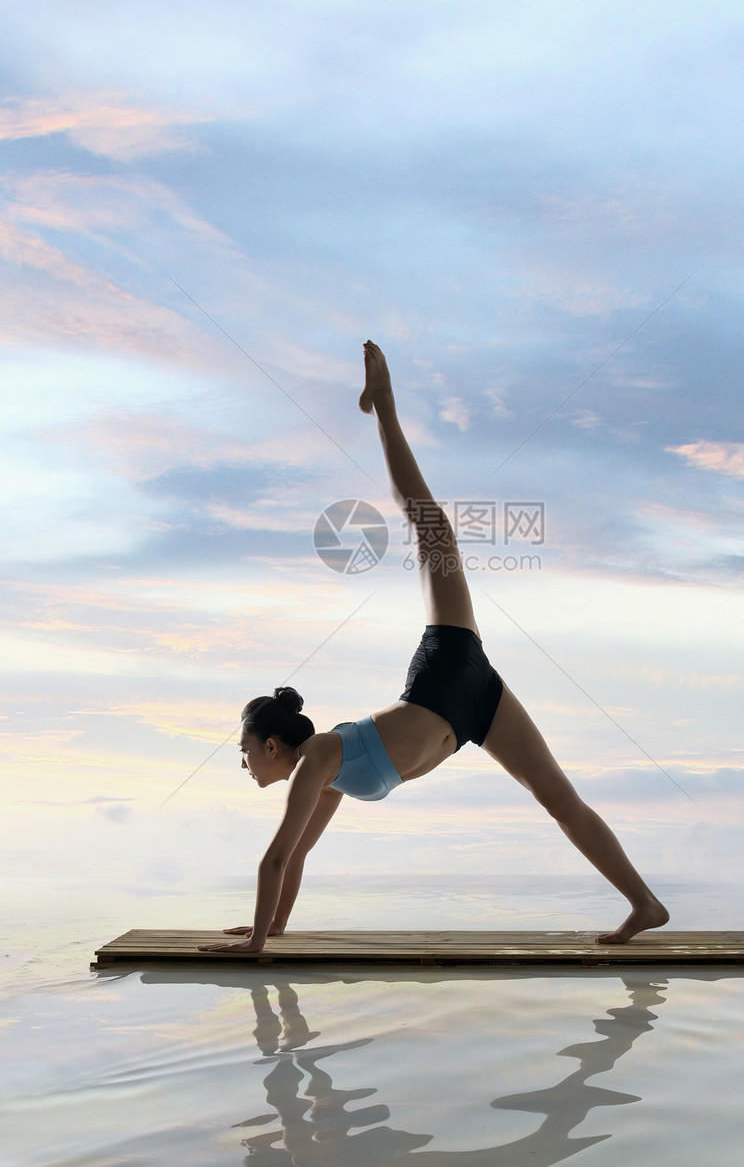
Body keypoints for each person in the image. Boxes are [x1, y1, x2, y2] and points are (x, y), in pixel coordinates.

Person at [198, 341, 668, 953]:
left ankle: (386, 407)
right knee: (560, 801)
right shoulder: (324, 774)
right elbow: (298, 857)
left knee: (429, 527)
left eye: (243, 752)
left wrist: (256, 946)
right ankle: (645, 903)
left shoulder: (315, 759)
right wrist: (275, 927)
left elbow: (273, 859)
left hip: (445, 672)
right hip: (475, 706)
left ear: (269, 743)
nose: (243, 765)